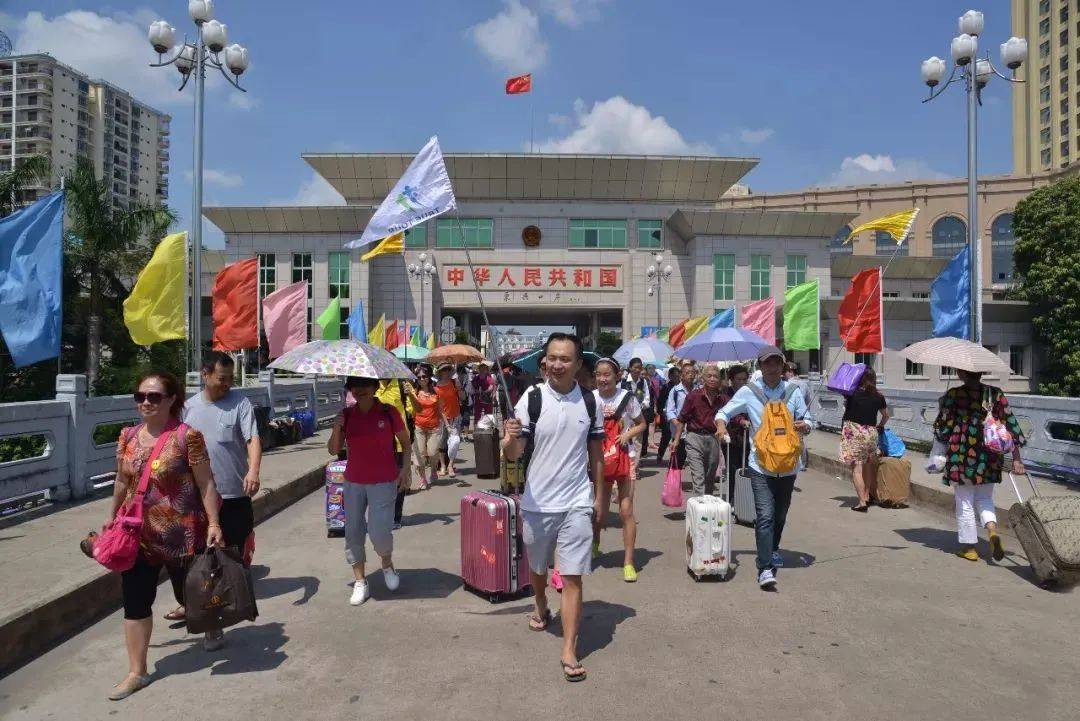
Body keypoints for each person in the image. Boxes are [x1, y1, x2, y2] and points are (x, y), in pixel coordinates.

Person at [107, 371, 222, 700]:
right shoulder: (127, 436)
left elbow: (206, 483)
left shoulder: (188, 437)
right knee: (135, 602)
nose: (145, 402)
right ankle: (137, 672)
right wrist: (111, 517)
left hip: (181, 536)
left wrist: (213, 522)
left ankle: (211, 624)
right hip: (137, 536)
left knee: (191, 594)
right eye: (140, 396)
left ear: (172, 399)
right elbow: (121, 481)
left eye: (154, 397)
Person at [502, 333, 604, 683]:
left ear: (578, 365)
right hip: (538, 502)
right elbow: (514, 455)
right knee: (538, 566)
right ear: (544, 362)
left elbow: (596, 455)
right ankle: (541, 603)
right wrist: (510, 437)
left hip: (576, 500)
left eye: (565, 359)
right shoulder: (531, 400)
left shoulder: (590, 402)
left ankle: (569, 648)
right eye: (552, 358)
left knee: (573, 576)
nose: (557, 364)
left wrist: (598, 497)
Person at [177, 351, 262, 649]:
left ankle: (232, 603)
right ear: (204, 374)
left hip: (234, 493)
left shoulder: (240, 403)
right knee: (202, 557)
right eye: (221, 379)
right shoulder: (187, 408)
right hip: (197, 498)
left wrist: (253, 470)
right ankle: (210, 621)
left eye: (230, 379)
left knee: (232, 555)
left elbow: (252, 439)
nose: (227, 384)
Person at [715, 346, 815, 591]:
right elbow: (724, 412)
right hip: (760, 465)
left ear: (782, 366)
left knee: (780, 515)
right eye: (767, 363)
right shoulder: (749, 392)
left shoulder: (793, 391)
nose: (772, 368)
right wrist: (720, 427)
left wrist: (805, 426)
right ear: (760, 367)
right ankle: (765, 567)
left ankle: (773, 549)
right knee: (766, 516)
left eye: (776, 363)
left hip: (789, 466)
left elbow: (809, 420)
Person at [329, 377, 412, 605]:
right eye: (355, 386)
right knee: (353, 532)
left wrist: (405, 469)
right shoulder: (346, 415)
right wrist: (337, 425)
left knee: (379, 532)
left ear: (375, 387)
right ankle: (360, 581)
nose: (361, 390)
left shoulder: (389, 412)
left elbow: (405, 442)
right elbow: (334, 449)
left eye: (366, 385)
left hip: (384, 482)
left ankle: (387, 563)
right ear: (351, 390)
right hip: (354, 482)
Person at [932, 369, 1026, 562]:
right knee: (984, 498)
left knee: (965, 501)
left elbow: (943, 429)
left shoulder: (955, 394)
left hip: (962, 455)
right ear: (981, 373)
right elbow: (1011, 425)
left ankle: (969, 548)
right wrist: (1017, 459)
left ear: (960, 373)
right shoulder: (995, 393)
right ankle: (991, 532)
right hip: (989, 456)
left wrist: (943, 408)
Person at [591, 358, 647, 582]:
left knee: (625, 511)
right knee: (600, 511)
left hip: (625, 459)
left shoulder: (627, 398)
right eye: (599, 374)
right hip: (599, 460)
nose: (603, 379)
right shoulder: (590, 398)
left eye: (607, 374)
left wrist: (627, 434)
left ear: (617, 376)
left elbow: (642, 423)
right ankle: (595, 542)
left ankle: (629, 561)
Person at [671, 365, 725, 496]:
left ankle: (707, 507)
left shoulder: (722, 398)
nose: (712, 379)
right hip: (694, 438)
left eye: (715, 376)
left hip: (713, 439)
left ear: (720, 380)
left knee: (710, 477)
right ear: (703, 378)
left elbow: (730, 416)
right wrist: (676, 441)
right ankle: (699, 510)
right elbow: (682, 419)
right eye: (709, 376)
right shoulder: (693, 396)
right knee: (698, 476)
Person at [840, 368, 889, 512]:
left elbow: (841, 382)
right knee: (867, 465)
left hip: (854, 432)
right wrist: (879, 426)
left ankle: (861, 502)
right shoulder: (879, 396)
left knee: (856, 469)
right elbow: (886, 416)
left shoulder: (852, 393)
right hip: (871, 433)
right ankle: (867, 496)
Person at [376, 379, 415, 529]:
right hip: (379, 443)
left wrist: (410, 395)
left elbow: (414, 410)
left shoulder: (402, 385)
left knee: (398, 481)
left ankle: (395, 517)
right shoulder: (373, 386)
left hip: (399, 442)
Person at [405, 365, 448, 491]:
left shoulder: (437, 392)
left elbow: (441, 410)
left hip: (434, 428)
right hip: (418, 427)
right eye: (419, 377)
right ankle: (423, 478)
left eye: (424, 376)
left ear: (429, 377)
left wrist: (447, 425)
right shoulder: (414, 392)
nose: (422, 379)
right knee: (419, 456)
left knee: (433, 452)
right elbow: (411, 409)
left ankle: (434, 469)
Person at [724, 365, 751, 510]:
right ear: (731, 380)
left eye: (744, 379)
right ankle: (731, 501)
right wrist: (741, 421)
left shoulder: (749, 393)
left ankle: (745, 499)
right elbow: (730, 412)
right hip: (730, 439)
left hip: (748, 437)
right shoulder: (725, 394)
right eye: (739, 379)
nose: (742, 382)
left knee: (747, 468)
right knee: (733, 469)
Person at [619, 357, 653, 471]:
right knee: (624, 442)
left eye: (640, 367)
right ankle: (623, 467)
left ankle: (634, 468)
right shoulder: (622, 382)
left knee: (638, 444)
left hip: (639, 418)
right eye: (635, 367)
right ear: (630, 368)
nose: (638, 370)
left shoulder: (644, 382)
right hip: (625, 419)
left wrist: (641, 405)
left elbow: (647, 399)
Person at [435, 364, 462, 478]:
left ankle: (450, 465)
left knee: (454, 443)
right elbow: (439, 408)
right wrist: (446, 424)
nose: (446, 372)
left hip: (455, 417)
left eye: (448, 369)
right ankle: (442, 466)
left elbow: (463, 397)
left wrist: (459, 387)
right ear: (440, 372)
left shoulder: (454, 383)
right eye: (443, 370)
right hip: (442, 419)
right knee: (441, 442)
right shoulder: (436, 387)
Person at [655, 367, 682, 462]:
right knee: (666, 436)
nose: (676, 378)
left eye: (678, 376)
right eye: (674, 376)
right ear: (670, 376)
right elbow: (660, 401)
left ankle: (677, 458)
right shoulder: (666, 387)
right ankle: (660, 454)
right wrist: (660, 412)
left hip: (679, 416)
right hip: (666, 415)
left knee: (679, 437)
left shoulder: (682, 387)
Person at [471, 361, 497, 427]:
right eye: (481, 368)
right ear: (479, 369)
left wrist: (485, 392)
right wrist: (478, 391)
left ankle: (488, 427)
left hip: (487, 399)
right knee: (477, 414)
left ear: (486, 369)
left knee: (488, 414)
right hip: (478, 399)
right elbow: (473, 387)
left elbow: (491, 386)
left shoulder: (489, 378)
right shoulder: (476, 378)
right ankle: (476, 427)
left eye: (484, 368)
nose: (482, 370)